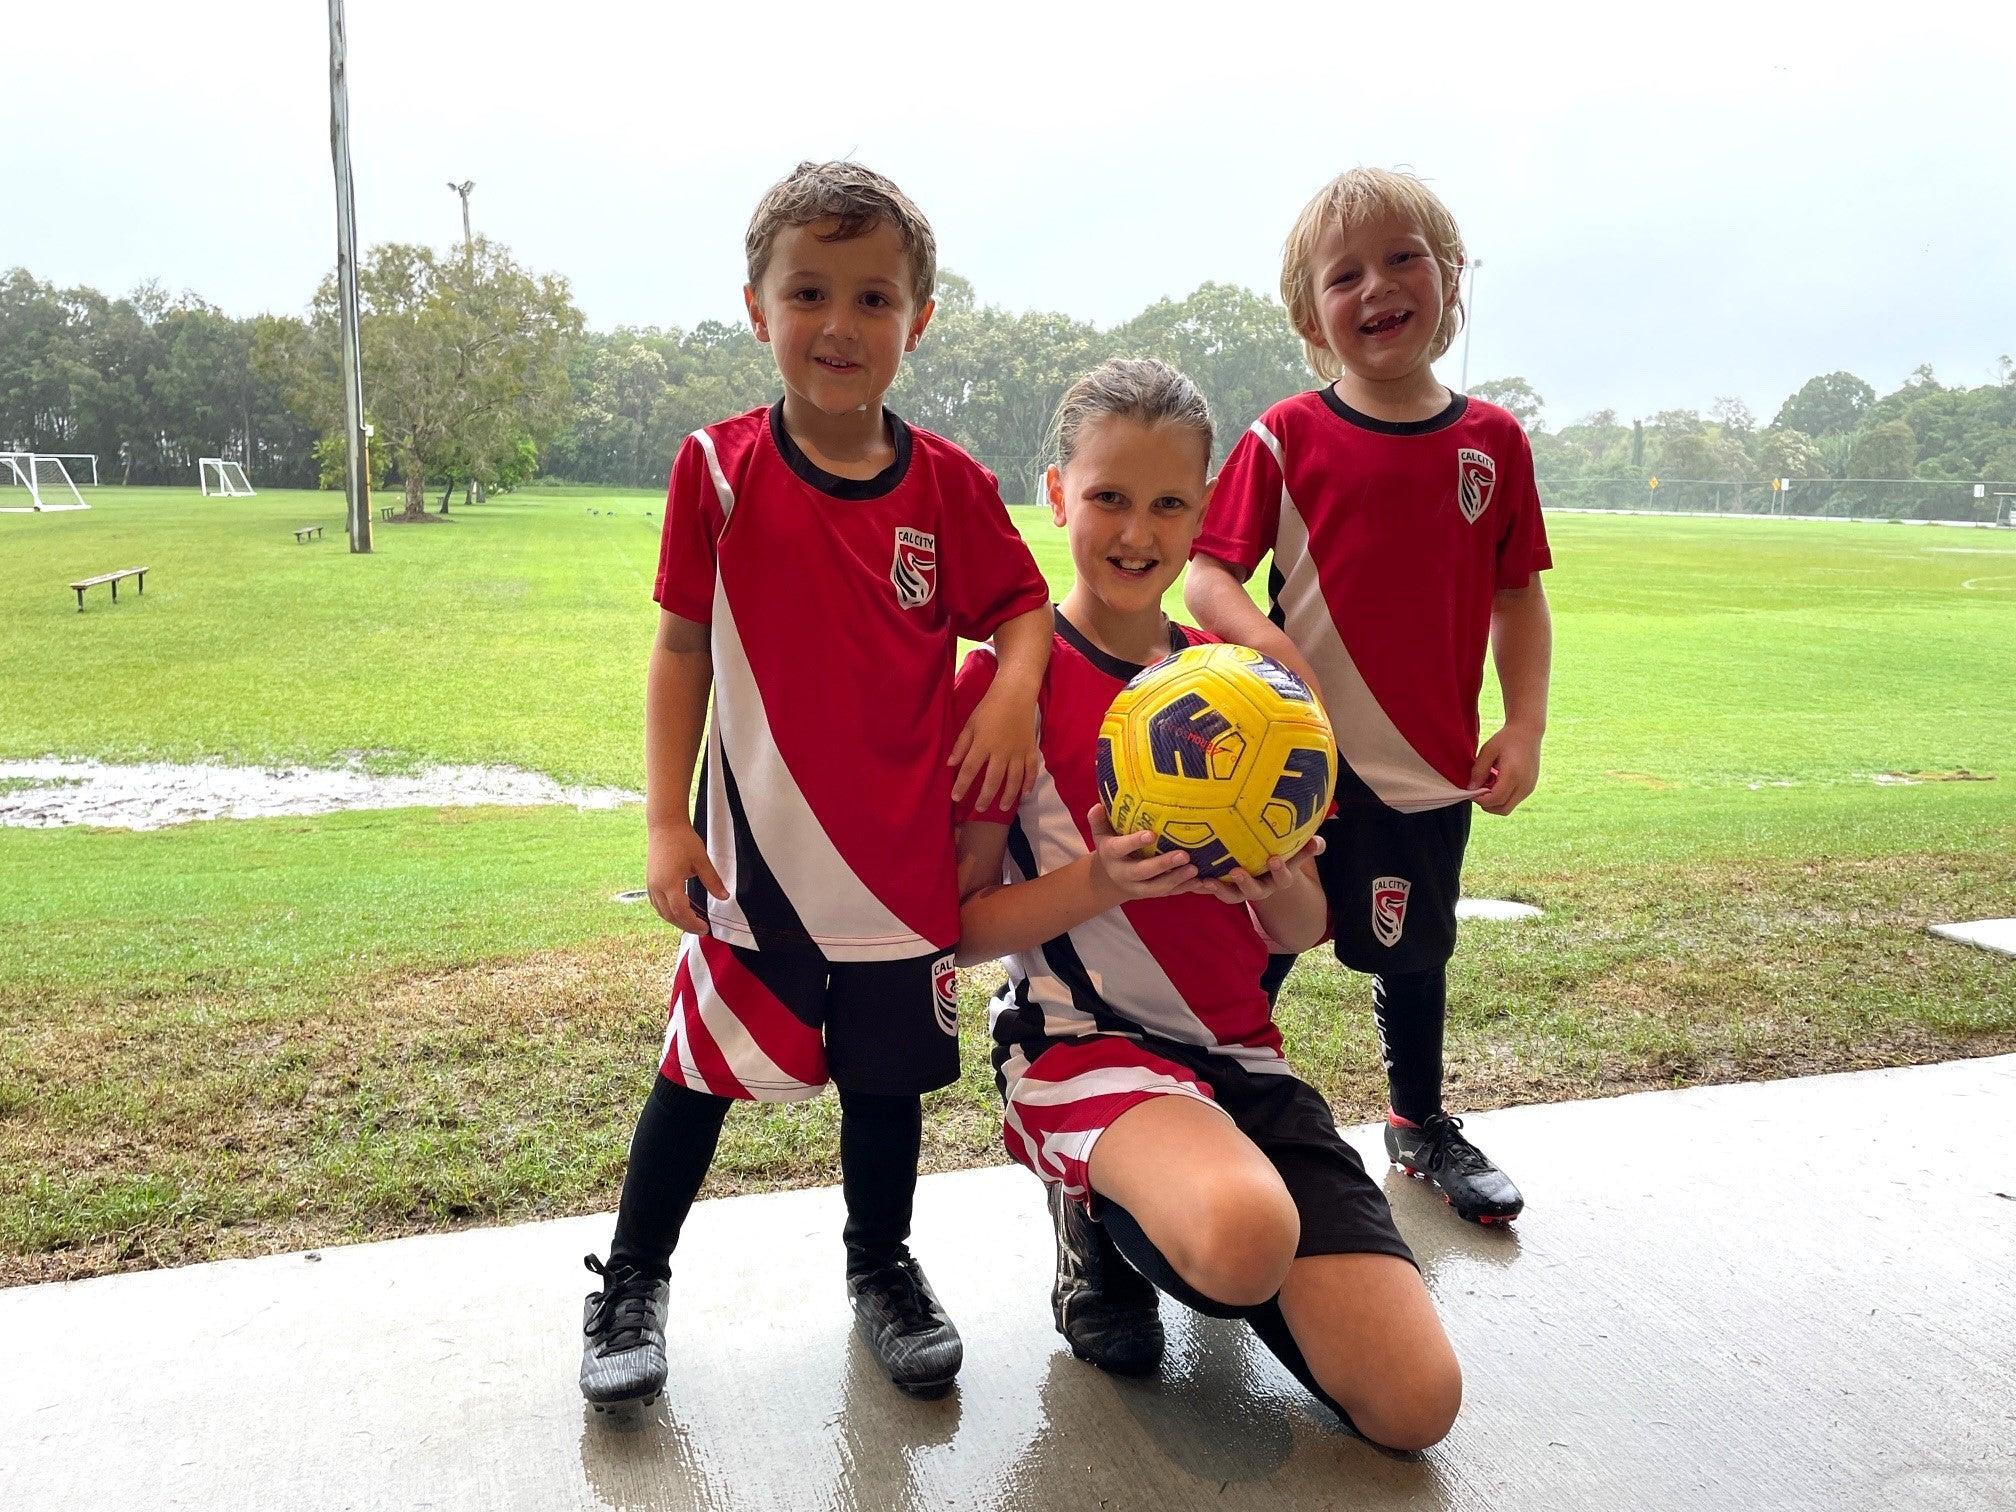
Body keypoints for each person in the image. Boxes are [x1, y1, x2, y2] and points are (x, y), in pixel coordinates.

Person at [579, 161, 1053, 1409]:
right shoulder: (719, 471)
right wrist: (665, 819)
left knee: (886, 1093)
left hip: (901, 873)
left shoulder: (945, 485)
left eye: (873, 297)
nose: (839, 327)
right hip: (755, 871)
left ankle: (882, 1268)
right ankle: (630, 1280)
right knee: (693, 1078)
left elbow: (1024, 610)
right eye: (809, 293)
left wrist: (1009, 684)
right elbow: (681, 645)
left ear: (918, 320)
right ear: (757, 308)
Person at [953, 357, 1462, 1451]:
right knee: (1241, 1233)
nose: (1138, 531)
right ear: (1056, 493)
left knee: (1418, 1407)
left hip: (1241, 1058)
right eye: (1110, 497)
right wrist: (1094, 881)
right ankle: (1089, 1207)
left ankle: (1193, 1204)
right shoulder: (1010, 690)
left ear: (1205, 512)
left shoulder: (1248, 693)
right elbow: (955, 928)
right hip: (1082, 1046)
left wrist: (1282, 881)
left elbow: (1302, 929)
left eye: (1170, 503)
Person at [1184, 167, 1554, 1225]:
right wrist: (1262, 639)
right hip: (1292, 770)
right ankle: (1216, 1108)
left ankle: (1417, 1122)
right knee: (1260, 950)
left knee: (1417, 954)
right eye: (1345, 274)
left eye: (1405, 259)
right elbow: (1208, 572)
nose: (1379, 286)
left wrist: (1521, 725)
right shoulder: (1287, 435)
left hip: (1431, 768)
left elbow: (1517, 597)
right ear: (1311, 312)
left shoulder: (1494, 444)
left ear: (1450, 279)